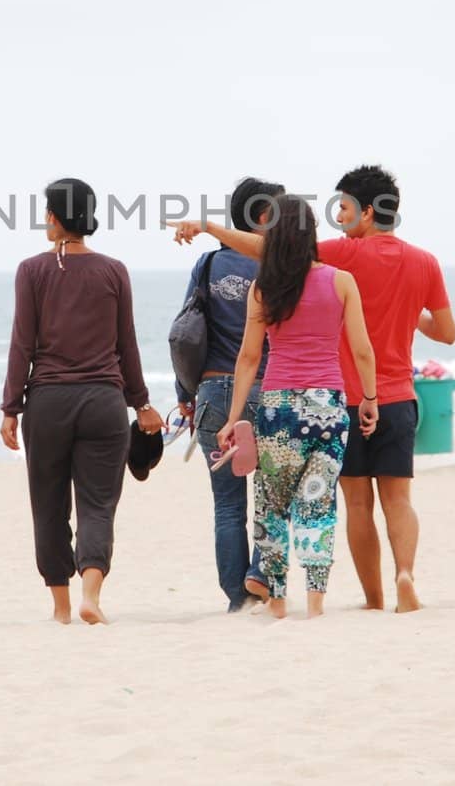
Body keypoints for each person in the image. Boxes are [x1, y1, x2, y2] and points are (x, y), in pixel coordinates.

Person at [175, 164, 455, 613]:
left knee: (350, 503)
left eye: (343, 207)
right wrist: (407, 313)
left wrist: (209, 227)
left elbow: (269, 249)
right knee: (394, 499)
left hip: (332, 398)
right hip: (392, 398)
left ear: (366, 213)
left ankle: (371, 598)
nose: (339, 215)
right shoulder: (423, 262)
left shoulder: (340, 257)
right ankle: (402, 574)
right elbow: (445, 332)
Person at [2, 177, 164, 625]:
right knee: (98, 503)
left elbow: (22, 344)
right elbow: (126, 344)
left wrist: (10, 407)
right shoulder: (114, 270)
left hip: (48, 403)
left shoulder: (31, 271)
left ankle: (60, 608)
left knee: (49, 504)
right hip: (104, 402)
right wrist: (142, 403)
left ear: (54, 216)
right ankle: (91, 595)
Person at [220, 194, 376, 618]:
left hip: (279, 408)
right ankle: (316, 603)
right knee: (318, 502)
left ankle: (277, 602)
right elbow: (362, 349)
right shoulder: (341, 281)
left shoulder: (263, 288)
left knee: (272, 503)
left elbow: (249, 357)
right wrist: (370, 398)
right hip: (328, 406)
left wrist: (234, 417)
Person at [175, 176, 285, 612]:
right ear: (262, 216)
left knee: (226, 503)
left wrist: (185, 394)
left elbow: (187, 332)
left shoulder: (206, 265)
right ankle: (260, 573)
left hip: (212, 392)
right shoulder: (277, 266)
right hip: (266, 390)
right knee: (274, 494)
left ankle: (238, 599)